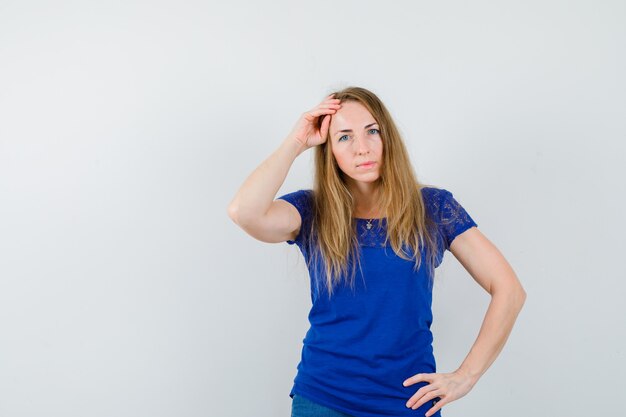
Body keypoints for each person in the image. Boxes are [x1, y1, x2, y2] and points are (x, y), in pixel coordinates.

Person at [227, 86, 526, 417]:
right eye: (344, 137)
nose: (362, 148)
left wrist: (466, 377)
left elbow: (509, 290)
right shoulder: (313, 210)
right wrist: (296, 141)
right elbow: (244, 212)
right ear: (329, 151)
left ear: (388, 137)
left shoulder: (432, 207)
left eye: (372, 131)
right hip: (324, 398)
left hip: (410, 402)